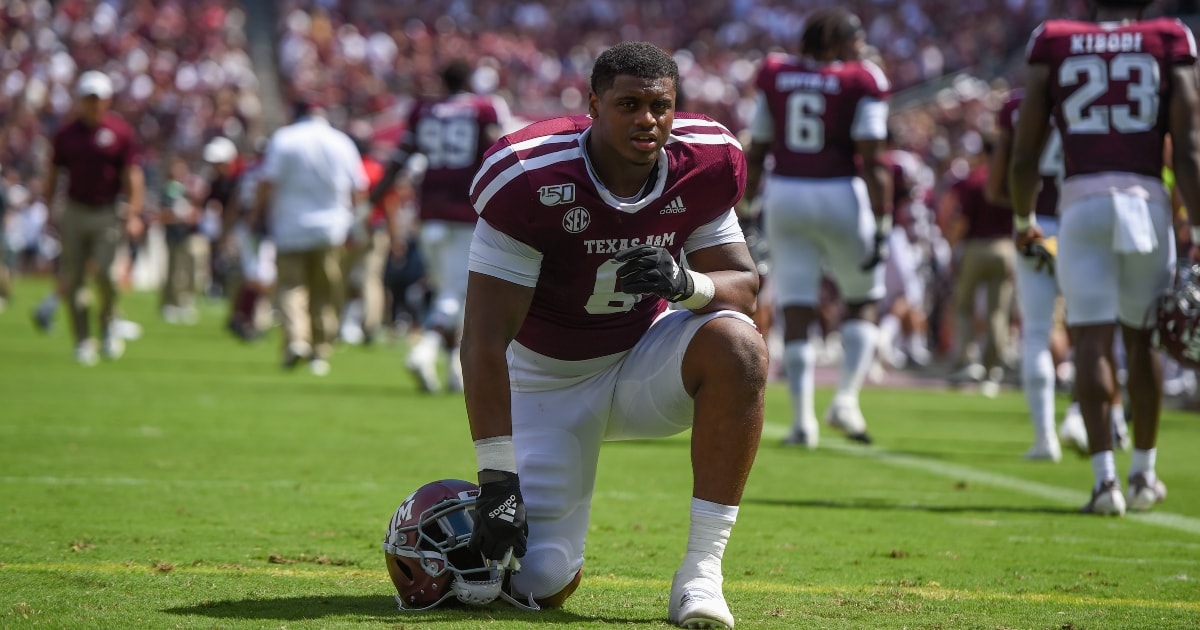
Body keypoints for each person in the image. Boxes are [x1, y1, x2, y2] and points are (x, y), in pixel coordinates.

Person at [461, 41, 765, 629]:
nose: (647, 120)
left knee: (739, 343)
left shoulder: (704, 162)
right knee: (541, 578)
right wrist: (497, 477)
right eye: (629, 104)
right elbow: (483, 337)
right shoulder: (531, 174)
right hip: (545, 378)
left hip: (641, 358)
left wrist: (686, 281)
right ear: (594, 104)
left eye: (661, 106)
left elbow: (744, 284)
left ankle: (702, 572)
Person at [1010, 0, 1200, 515]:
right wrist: (1198, 225)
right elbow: (1187, 146)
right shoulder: (1169, 37)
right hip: (1146, 201)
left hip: (1081, 201)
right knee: (1145, 341)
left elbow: (1025, 151)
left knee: (1091, 338)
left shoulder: (1055, 38)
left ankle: (1104, 483)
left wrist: (1025, 217)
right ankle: (1143, 475)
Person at [742, 8, 892, 448]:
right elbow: (874, 158)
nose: (861, 47)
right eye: (856, 38)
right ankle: (845, 399)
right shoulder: (862, 78)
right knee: (862, 299)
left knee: (797, 308)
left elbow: (758, 148)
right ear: (836, 42)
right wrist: (882, 225)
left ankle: (802, 421)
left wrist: (749, 207)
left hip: (786, 192)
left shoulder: (775, 72)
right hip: (840, 191)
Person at [988, 90, 1129, 462]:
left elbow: (998, 182)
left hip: (1037, 222)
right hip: (1085, 220)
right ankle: (1095, 419)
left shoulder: (1019, 105)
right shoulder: (1100, 96)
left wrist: (1025, 215)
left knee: (1035, 331)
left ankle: (1045, 438)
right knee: (1094, 329)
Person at [371, 59, 510, 392]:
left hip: (428, 212)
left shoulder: (423, 109)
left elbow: (399, 159)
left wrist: (371, 200)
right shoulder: (483, 109)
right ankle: (424, 350)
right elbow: (500, 154)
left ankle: (453, 369)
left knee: (448, 293)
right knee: (457, 293)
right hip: (466, 211)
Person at [252, 97, 369, 376]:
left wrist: (257, 215)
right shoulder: (341, 141)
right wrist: (358, 226)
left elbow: (267, 182)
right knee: (325, 292)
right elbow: (359, 189)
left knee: (291, 287)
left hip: (290, 227)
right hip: (331, 229)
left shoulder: (284, 139)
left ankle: (296, 339)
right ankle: (320, 350)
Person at [45, 70, 145, 365]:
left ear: (107, 100)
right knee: (74, 280)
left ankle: (107, 325)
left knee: (107, 276)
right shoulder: (66, 135)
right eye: (88, 99)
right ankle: (82, 340)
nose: (93, 105)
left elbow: (132, 175)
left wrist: (134, 212)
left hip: (107, 211)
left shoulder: (120, 132)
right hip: (75, 210)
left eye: (97, 99)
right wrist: (50, 207)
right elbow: (53, 174)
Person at [942, 138, 1015, 395]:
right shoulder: (1010, 178)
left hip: (977, 246)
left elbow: (962, 220)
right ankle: (992, 371)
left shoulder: (974, 180)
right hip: (1006, 247)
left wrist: (952, 249)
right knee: (998, 312)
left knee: (963, 306)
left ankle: (969, 358)